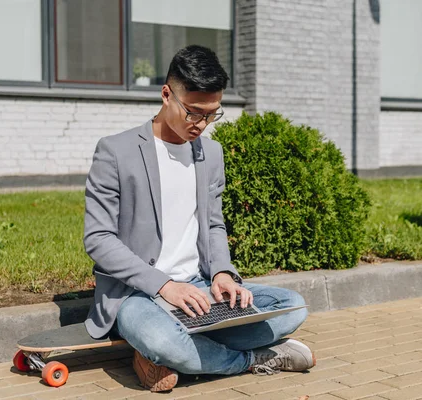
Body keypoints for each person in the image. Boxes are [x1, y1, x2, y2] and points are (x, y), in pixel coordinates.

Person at [83, 45, 315, 392]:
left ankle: (171, 356)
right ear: (166, 95)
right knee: (162, 340)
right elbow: (98, 239)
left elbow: (213, 223)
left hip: (201, 287)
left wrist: (222, 272)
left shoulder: (211, 154)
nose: (202, 125)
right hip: (138, 294)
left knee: (292, 307)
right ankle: (255, 359)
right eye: (193, 113)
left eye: (212, 114)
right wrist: (165, 285)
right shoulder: (116, 151)